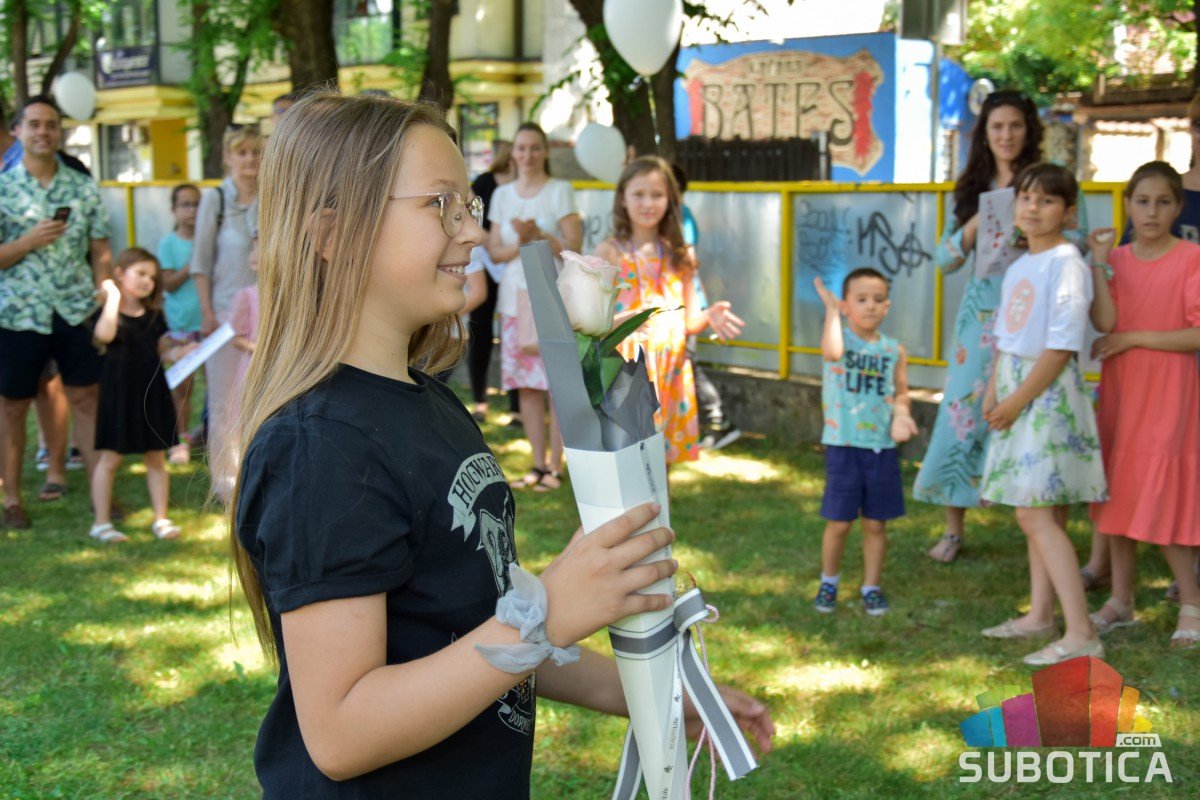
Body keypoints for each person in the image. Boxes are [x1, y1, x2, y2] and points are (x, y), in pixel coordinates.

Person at [230, 91, 773, 799]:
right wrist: (548, 612)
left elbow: (480, 634)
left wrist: (660, 692)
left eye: (470, 206)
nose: (472, 232)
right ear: (331, 233)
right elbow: (340, 733)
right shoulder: (321, 446)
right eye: (440, 205)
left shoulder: (432, 406)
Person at [978, 163, 1106, 666]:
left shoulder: (1066, 262)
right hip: (1017, 389)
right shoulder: (1018, 266)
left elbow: (1060, 347)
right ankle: (1039, 615)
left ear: (1068, 212)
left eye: (1047, 200)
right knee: (1038, 510)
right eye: (1027, 197)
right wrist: (994, 391)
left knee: (1034, 512)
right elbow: (1006, 339)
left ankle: (1082, 632)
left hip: (1045, 394)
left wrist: (1016, 401)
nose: (1033, 207)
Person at [913, 90, 1046, 564]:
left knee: (1034, 412)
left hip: (1036, 313)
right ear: (984, 134)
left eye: (1015, 125)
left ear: (1029, 129)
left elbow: (1074, 240)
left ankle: (1041, 529)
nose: (1007, 135)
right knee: (962, 413)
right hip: (981, 318)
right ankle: (953, 530)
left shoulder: (1047, 182)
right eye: (997, 127)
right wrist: (972, 226)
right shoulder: (972, 185)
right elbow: (944, 261)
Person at [1087, 162, 1200, 649]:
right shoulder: (1116, 259)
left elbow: (1197, 333)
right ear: (1128, 205)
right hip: (1123, 387)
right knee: (1119, 489)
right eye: (1142, 201)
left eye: (1163, 202)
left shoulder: (1192, 257)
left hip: (1170, 390)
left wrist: (1134, 338)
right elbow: (1105, 321)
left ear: (1178, 207)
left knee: (1161, 491)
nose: (1152, 212)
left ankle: (1192, 602)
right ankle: (1121, 599)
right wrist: (1098, 264)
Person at [0, 95, 112, 530]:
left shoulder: (82, 187)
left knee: (86, 399)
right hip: (18, 313)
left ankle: (102, 496)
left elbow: (100, 250)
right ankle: (12, 500)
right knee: (13, 406)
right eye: (34, 124)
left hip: (74, 310)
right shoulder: (4, 188)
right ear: (17, 131)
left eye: (50, 124)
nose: (43, 132)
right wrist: (27, 241)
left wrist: (103, 291)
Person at [594, 156, 743, 466]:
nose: (648, 203)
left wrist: (709, 316)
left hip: (671, 375)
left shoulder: (680, 253)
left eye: (657, 195)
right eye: (639, 194)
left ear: (670, 200)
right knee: (628, 465)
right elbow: (594, 324)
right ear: (622, 198)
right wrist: (630, 319)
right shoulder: (610, 252)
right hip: (628, 375)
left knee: (661, 470)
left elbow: (690, 321)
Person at [811, 269, 918, 617]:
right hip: (843, 446)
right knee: (840, 522)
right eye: (861, 300)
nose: (870, 306)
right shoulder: (840, 340)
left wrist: (902, 415)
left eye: (877, 300)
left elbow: (901, 392)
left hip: (881, 449)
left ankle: (871, 586)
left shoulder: (893, 349)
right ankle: (829, 581)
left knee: (875, 523)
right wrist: (831, 311)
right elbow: (831, 353)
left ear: (887, 306)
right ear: (846, 306)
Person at [487, 123, 581, 491]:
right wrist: (523, 241)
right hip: (515, 300)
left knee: (557, 386)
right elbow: (495, 251)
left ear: (545, 152)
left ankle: (556, 466)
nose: (528, 155)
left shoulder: (560, 191)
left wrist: (540, 235)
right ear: (513, 153)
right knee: (526, 387)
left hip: (551, 297)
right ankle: (537, 463)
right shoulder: (502, 195)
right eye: (522, 148)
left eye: (535, 148)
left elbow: (574, 246)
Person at [89, 248, 189, 543]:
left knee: (156, 457)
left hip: (152, 392)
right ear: (120, 274)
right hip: (119, 395)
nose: (148, 281)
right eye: (141, 274)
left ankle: (161, 518)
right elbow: (104, 336)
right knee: (110, 459)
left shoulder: (155, 316)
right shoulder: (108, 313)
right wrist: (113, 298)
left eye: (152, 277)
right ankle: (101, 523)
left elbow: (161, 351)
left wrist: (180, 353)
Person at [190, 125, 262, 500]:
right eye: (242, 152)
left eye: (256, 152)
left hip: (265, 318)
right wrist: (207, 312)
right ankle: (227, 484)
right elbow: (200, 263)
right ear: (228, 157)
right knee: (222, 401)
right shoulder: (215, 200)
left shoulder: (274, 197)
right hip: (223, 318)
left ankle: (258, 473)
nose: (250, 159)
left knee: (259, 399)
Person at [671, 162, 741, 451]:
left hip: (685, 304)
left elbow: (688, 261)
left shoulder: (681, 216)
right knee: (686, 363)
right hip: (676, 304)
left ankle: (718, 419)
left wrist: (698, 306)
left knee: (686, 363)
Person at [466, 142, 514, 422]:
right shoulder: (484, 182)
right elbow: (471, 215)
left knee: (514, 336)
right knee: (480, 333)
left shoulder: (524, 187)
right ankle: (480, 401)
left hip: (512, 267)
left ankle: (516, 407)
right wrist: (488, 243)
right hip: (485, 264)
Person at [157, 183, 202, 464]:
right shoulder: (169, 244)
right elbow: (168, 283)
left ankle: (211, 434)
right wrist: (193, 262)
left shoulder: (211, 239)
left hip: (210, 325)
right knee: (183, 389)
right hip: (181, 326)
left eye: (197, 204)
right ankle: (179, 441)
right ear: (174, 210)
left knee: (218, 387)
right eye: (186, 204)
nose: (192, 210)